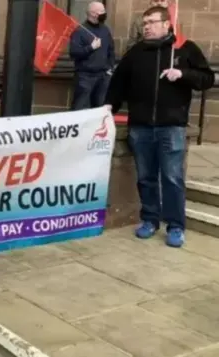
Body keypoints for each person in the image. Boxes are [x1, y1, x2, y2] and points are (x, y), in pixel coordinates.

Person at [105, 6, 215, 248]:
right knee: (145, 178)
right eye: (144, 22)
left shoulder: (185, 49)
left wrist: (183, 74)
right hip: (141, 127)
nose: (146, 26)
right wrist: (107, 110)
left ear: (166, 24)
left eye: (152, 22)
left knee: (172, 178)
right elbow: (118, 85)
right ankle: (150, 220)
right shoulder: (135, 53)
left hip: (171, 127)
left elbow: (207, 78)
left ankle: (176, 226)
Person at [68, 1, 115, 110]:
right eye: (102, 11)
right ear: (93, 13)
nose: (104, 14)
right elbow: (74, 53)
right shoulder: (80, 31)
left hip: (103, 76)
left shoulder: (105, 30)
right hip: (85, 77)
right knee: (80, 107)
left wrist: (110, 68)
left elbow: (111, 50)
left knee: (100, 109)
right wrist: (91, 47)